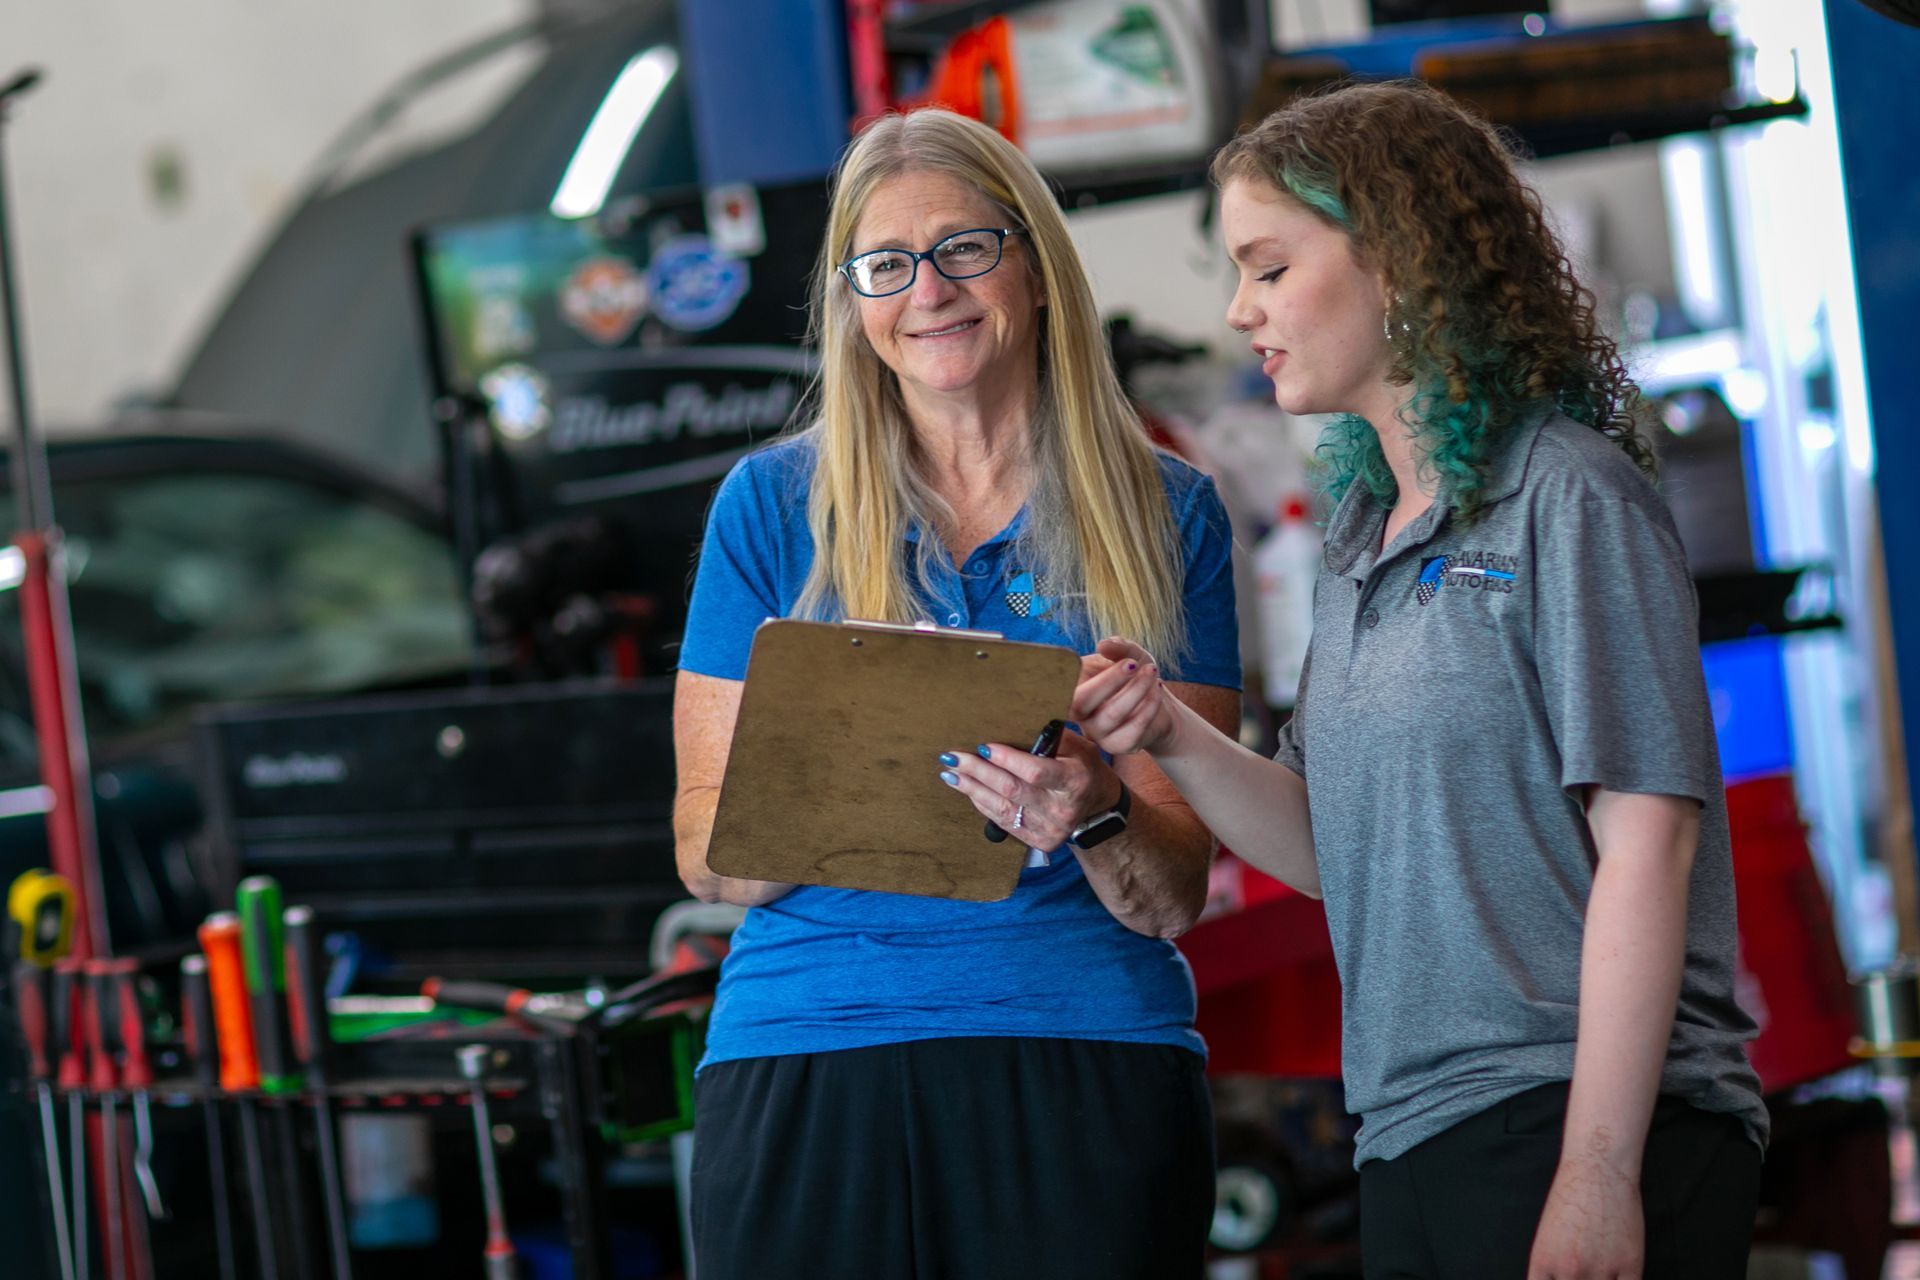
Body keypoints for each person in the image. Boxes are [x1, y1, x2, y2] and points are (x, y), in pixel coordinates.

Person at [1073, 81, 1767, 1280]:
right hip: (1412, 1129)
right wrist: (1170, 737)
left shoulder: (1566, 494)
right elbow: (1326, 847)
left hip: (1582, 1117)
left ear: (1395, 263)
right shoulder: (1360, 537)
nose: (1239, 309)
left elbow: (1650, 845)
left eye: (1269, 266)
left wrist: (1599, 1172)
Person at [671, 107, 1241, 1280]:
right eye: (885, 264)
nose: (927, 289)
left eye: (965, 248)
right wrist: (839, 756)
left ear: (1032, 262)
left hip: (1078, 1035)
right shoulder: (773, 508)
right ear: (853, 303)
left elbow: (1176, 890)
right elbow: (701, 853)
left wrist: (1090, 808)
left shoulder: (1168, 511)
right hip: (808, 1042)